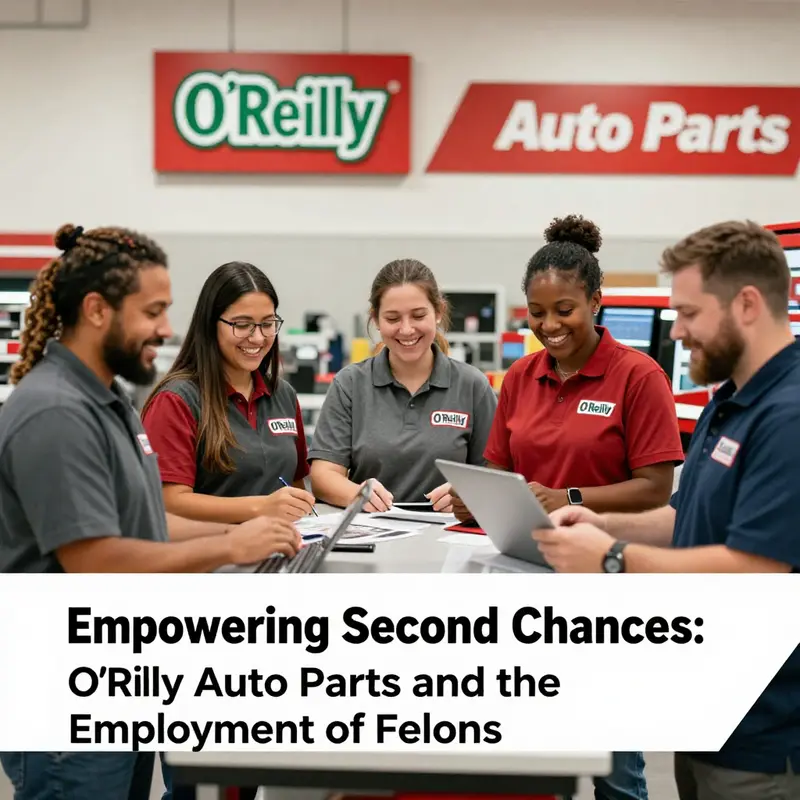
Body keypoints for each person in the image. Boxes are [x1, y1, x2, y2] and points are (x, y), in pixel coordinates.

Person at [0, 224, 301, 800]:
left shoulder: (109, 401)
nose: (166, 328)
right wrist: (229, 545)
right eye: (153, 311)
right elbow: (93, 559)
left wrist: (251, 530)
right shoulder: (56, 412)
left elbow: (146, 521)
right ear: (95, 310)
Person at [532, 220, 800, 800]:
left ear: (747, 305)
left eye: (689, 312)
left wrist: (611, 558)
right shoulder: (730, 401)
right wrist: (599, 521)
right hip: (710, 713)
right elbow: (684, 515)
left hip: (766, 732)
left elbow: (759, 571)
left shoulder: (788, 415)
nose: (675, 331)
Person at [454, 215, 686, 800]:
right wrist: (474, 495)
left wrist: (570, 498)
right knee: (536, 752)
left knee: (615, 765)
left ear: (596, 302)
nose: (549, 326)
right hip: (527, 579)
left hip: (605, 585)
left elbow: (656, 487)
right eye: (537, 313)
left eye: (564, 310)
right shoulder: (520, 377)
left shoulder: (639, 377)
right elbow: (500, 468)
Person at [309, 258, 498, 512]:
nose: (406, 329)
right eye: (393, 318)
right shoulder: (350, 384)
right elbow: (323, 476)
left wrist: (466, 494)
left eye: (418, 315)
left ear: (439, 311)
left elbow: (497, 476)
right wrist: (358, 494)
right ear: (375, 319)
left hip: (450, 540)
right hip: (371, 536)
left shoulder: (473, 386)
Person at [141, 261, 316, 525]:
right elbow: (168, 502)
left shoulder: (283, 396)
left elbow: (296, 485)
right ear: (211, 324)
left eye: (267, 324)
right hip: (211, 556)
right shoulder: (176, 401)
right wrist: (261, 508)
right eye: (242, 324)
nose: (257, 338)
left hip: (279, 550)